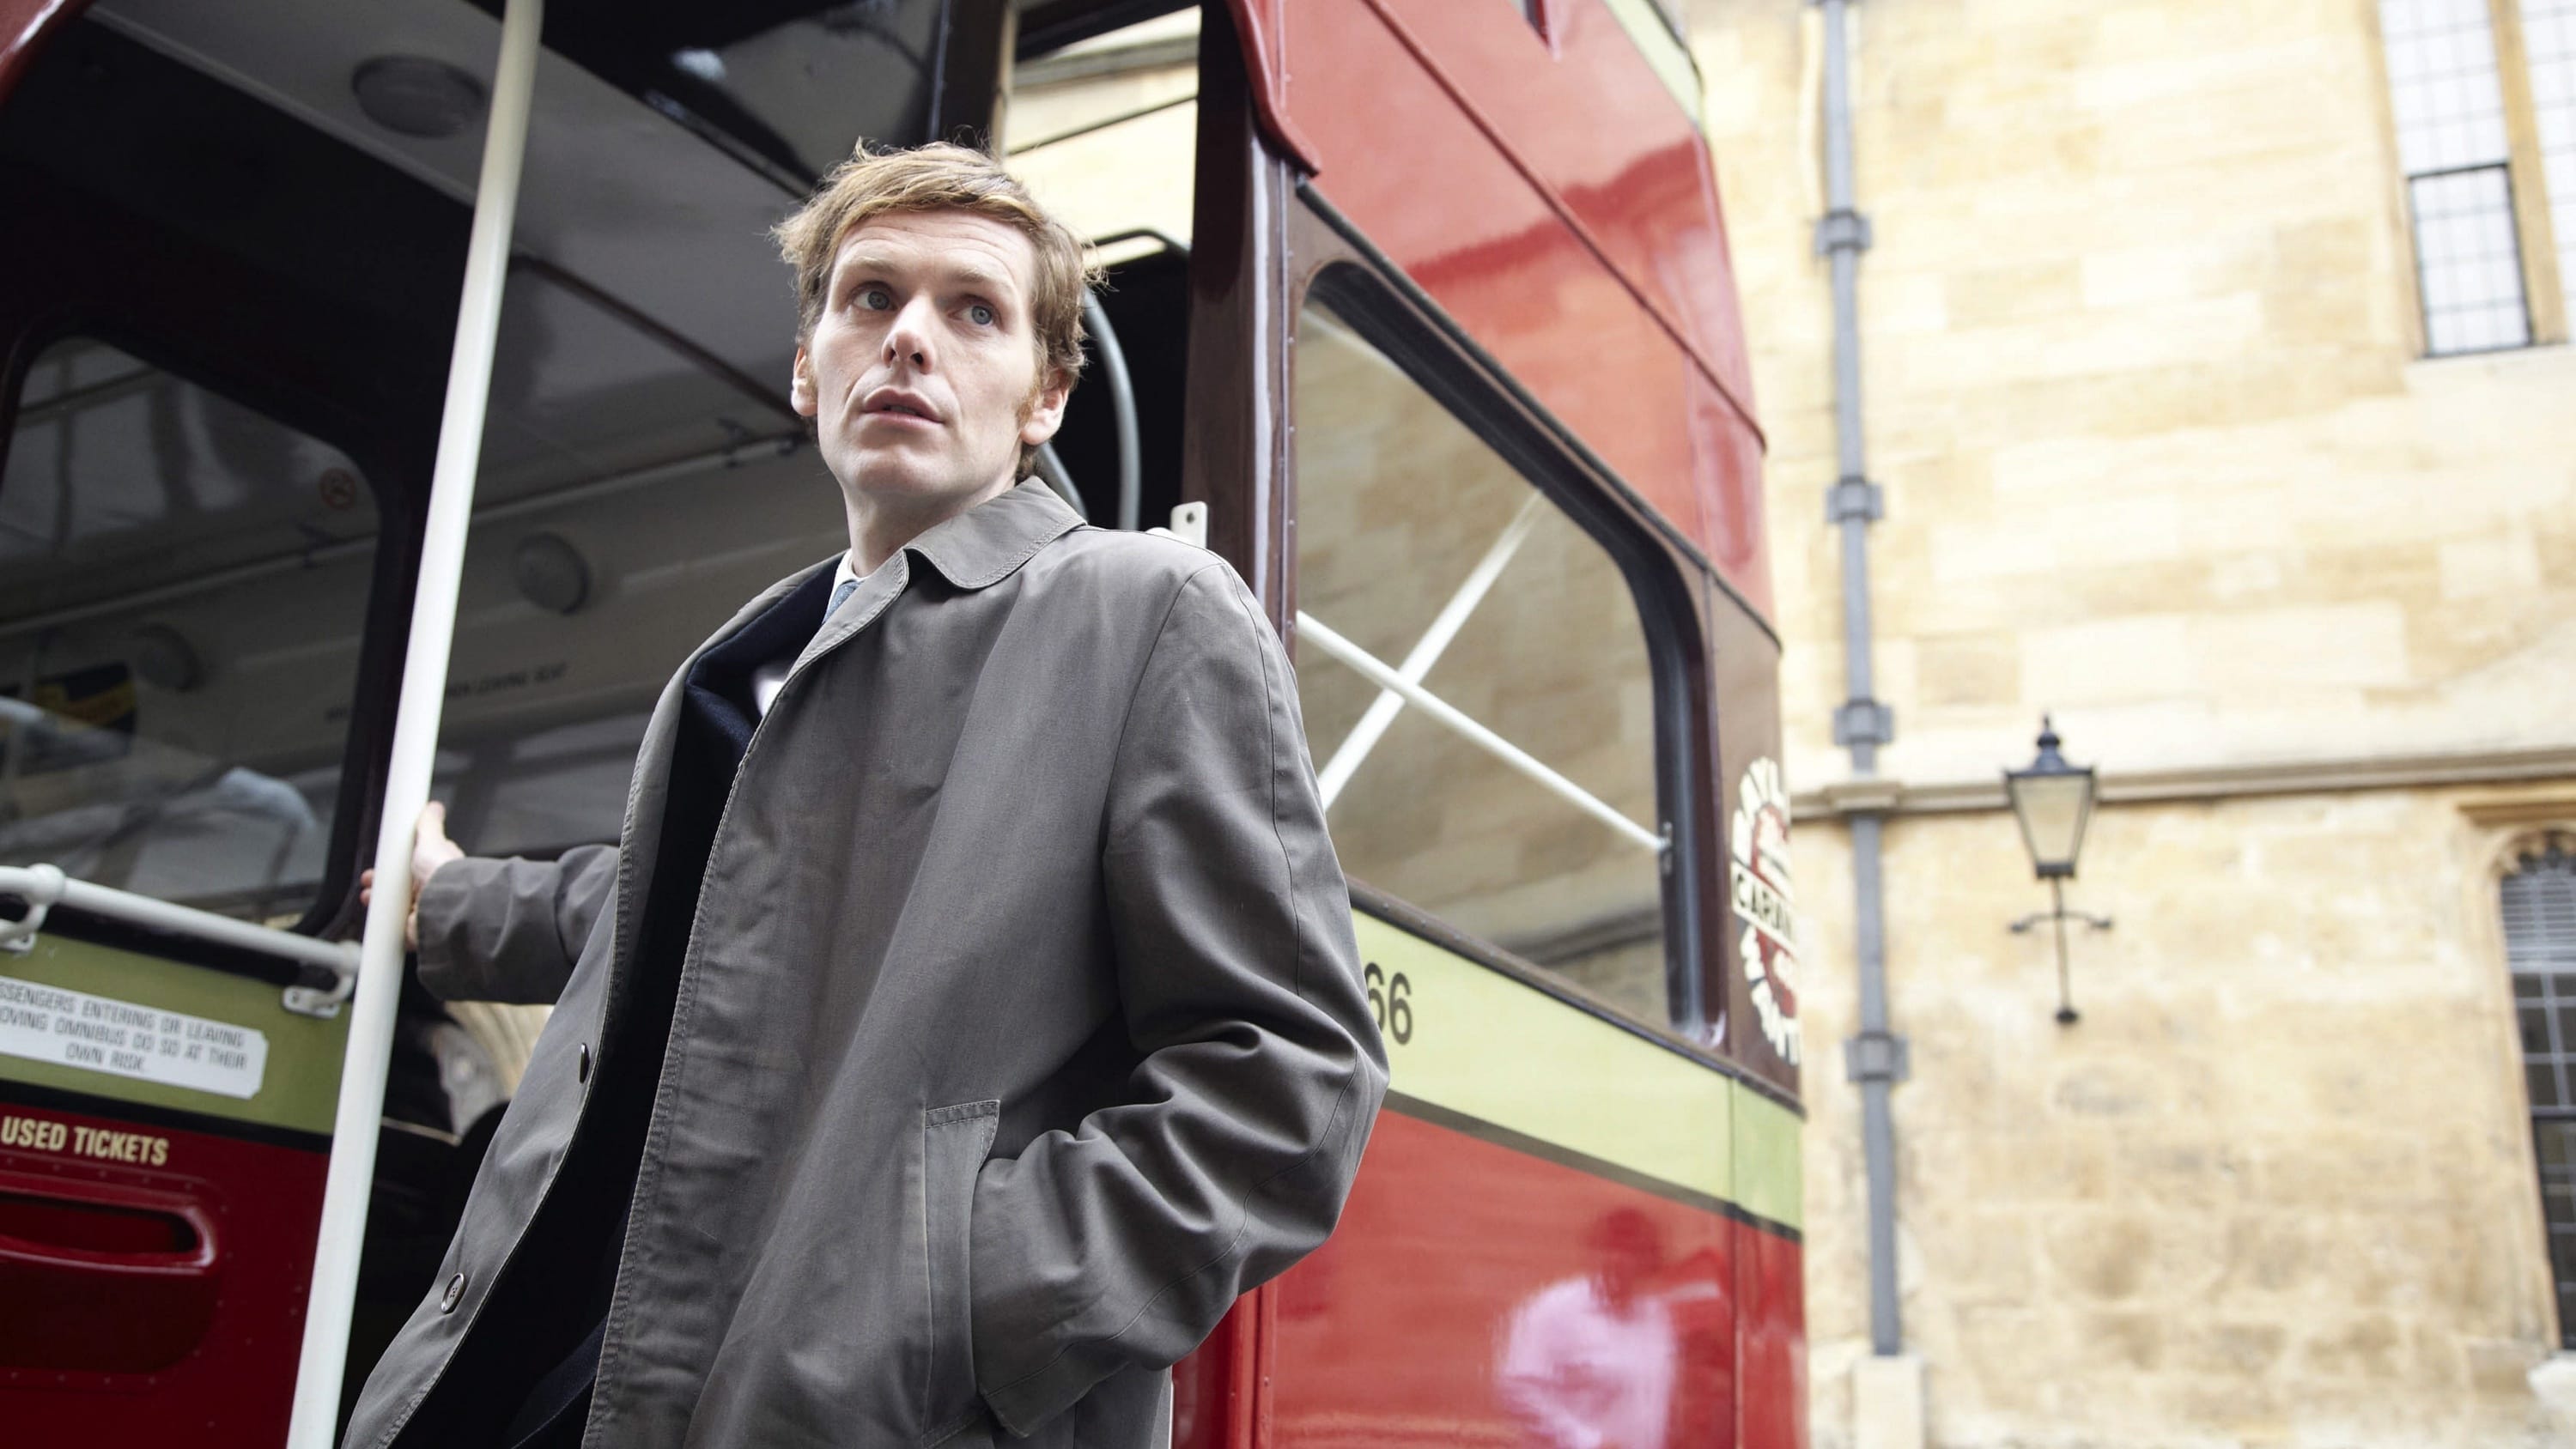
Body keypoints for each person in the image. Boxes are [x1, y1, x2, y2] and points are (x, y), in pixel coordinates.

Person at [344, 142, 1388, 1449]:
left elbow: (1288, 1072)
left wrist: (943, 1309)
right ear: (808, 367)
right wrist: (450, 905)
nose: (908, 338)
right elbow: (688, 912)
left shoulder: (1144, 611)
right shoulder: (755, 656)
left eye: (974, 310)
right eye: (870, 296)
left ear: (1045, 397)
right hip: (580, 1364)